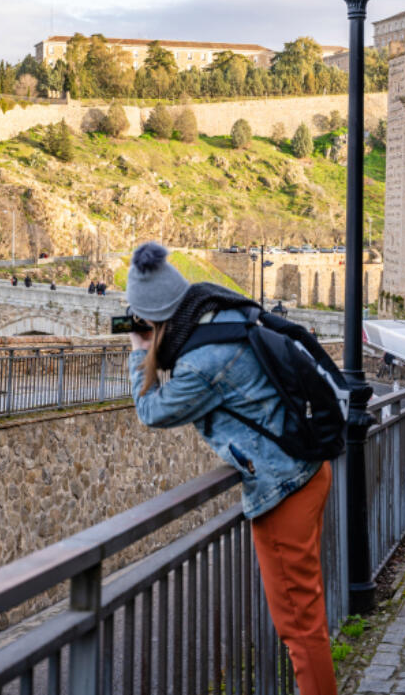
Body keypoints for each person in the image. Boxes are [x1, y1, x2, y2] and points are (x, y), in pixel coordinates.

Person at [124, 241, 336, 695]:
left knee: (299, 626)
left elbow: (150, 410)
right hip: (308, 471)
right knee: (306, 616)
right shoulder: (221, 313)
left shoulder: (201, 363)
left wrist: (135, 351)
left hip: (284, 490)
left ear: (152, 319)